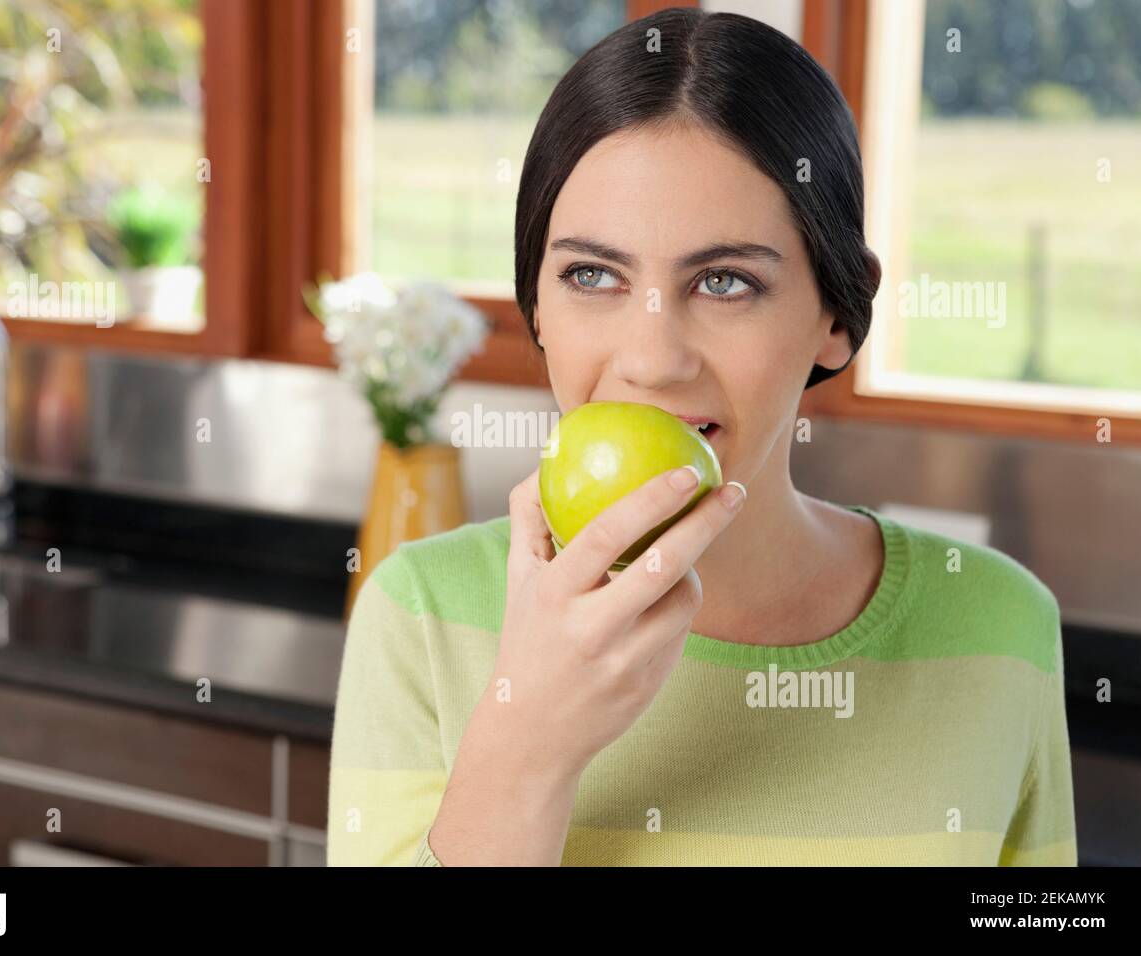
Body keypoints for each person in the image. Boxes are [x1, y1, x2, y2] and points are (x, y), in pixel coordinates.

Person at [327, 7, 1076, 866]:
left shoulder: (1002, 624)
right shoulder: (418, 616)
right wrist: (526, 744)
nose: (650, 360)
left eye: (724, 281)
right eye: (592, 275)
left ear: (838, 310)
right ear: (535, 304)